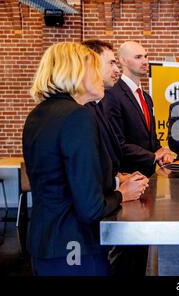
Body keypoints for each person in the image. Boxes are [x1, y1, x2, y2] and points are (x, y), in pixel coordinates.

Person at [22, 42, 147, 276]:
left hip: (45, 244)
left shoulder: (39, 113)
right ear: (76, 71)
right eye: (94, 68)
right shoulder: (77, 117)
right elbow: (90, 207)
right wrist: (123, 193)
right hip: (74, 246)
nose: (101, 75)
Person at [81, 39, 150, 276]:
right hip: (86, 223)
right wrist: (119, 185)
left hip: (125, 187)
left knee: (132, 259)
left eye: (146, 56)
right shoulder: (86, 108)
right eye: (111, 63)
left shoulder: (99, 104)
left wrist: (119, 177)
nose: (116, 70)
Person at [103, 41, 174, 178]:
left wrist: (162, 152)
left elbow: (151, 136)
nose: (145, 61)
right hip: (127, 176)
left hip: (150, 175)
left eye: (146, 56)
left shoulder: (146, 97)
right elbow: (117, 143)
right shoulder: (112, 95)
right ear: (123, 60)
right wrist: (153, 156)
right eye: (138, 57)